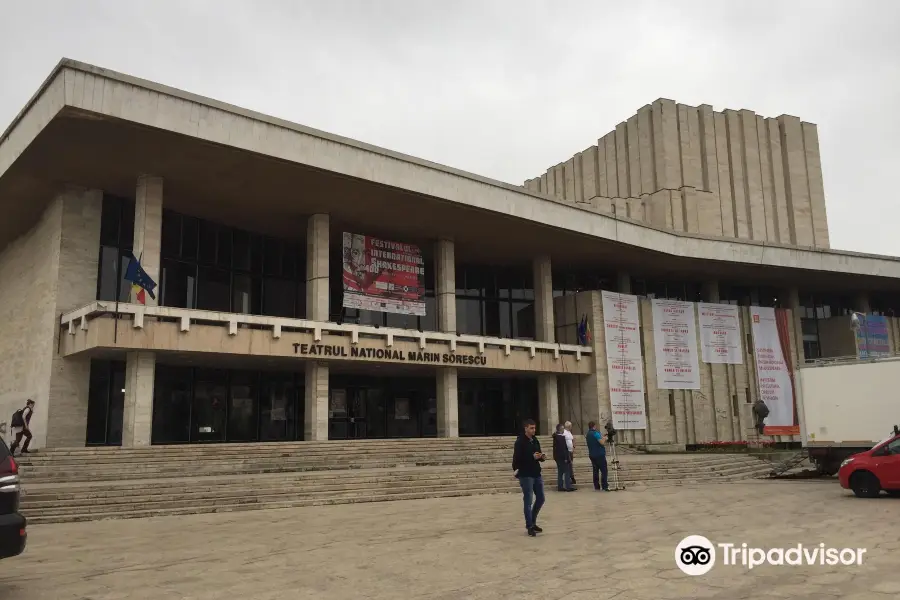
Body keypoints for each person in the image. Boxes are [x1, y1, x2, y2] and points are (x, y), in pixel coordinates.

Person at [512, 418, 546, 536]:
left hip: (536, 473)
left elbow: (538, 453)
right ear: (525, 428)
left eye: (534, 428)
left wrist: (541, 456)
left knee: (541, 498)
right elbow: (517, 459)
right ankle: (529, 525)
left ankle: (533, 521)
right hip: (526, 474)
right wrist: (532, 457)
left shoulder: (535, 440)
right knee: (528, 501)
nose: (533, 430)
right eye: (531, 428)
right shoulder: (520, 442)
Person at [585, 420, 609, 491]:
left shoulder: (588, 434)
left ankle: (596, 486)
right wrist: (605, 438)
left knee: (595, 471)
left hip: (592, 455)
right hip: (599, 455)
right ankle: (604, 485)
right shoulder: (595, 433)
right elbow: (601, 442)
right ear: (594, 426)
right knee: (604, 470)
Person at [552, 424, 575, 492]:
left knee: (560, 472)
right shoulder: (561, 438)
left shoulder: (555, 437)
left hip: (558, 457)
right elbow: (564, 449)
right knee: (567, 471)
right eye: (562, 429)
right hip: (562, 458)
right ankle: (568, 486)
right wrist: (566, 458)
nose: (563, 430)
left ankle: (560, 486)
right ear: (559, 429)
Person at [563, 421, 576, 485]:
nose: (571, 427)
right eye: (571, 426)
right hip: (567, 451)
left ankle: (571, 477)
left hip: (571, 451)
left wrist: (573, 445)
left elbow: (572, 439)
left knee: (571, 465)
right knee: (569, 465)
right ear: (568, 426)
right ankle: (571, 478)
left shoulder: (569, 432)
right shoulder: (564, 432)